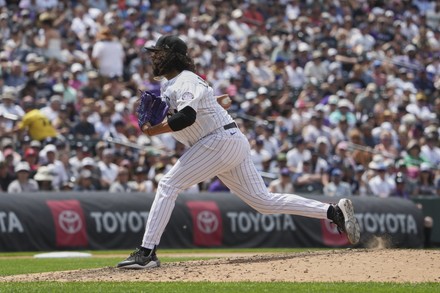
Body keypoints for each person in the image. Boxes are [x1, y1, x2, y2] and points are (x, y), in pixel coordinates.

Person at [115, 35, 360, 269]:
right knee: (263, 202)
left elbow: (186, 118)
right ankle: (333, 211)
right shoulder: (173, 83)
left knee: (168, 185)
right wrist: (216, 100)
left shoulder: (185, 80)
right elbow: (199, 107)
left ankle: (146, 252)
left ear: (172, 57)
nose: (153, 58)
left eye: (158, 54)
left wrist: (153, 131)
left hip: (217, 141)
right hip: (226, 141)